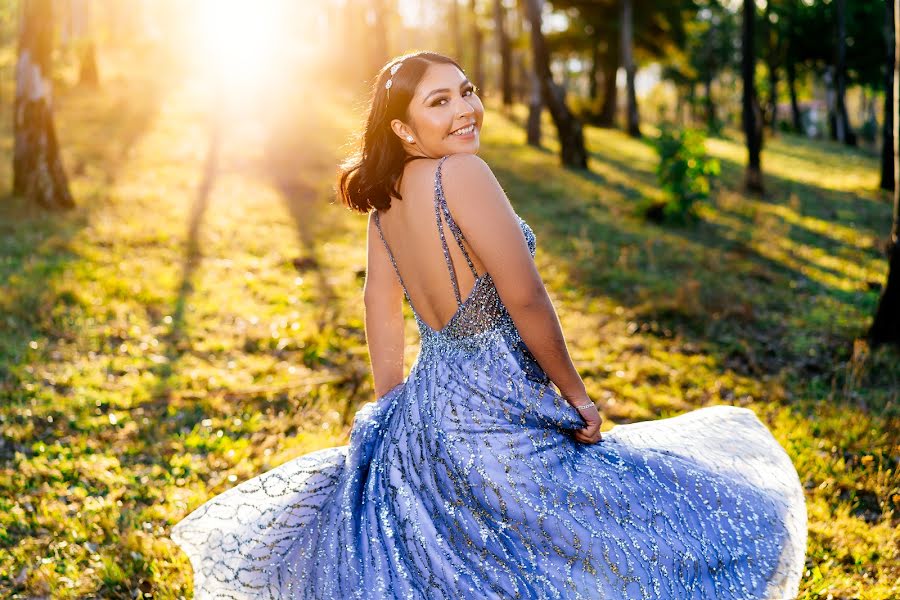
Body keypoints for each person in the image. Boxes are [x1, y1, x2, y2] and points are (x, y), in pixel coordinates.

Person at [170, 51, 807, 599]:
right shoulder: (461, 174)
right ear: (405, 126)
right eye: (440, 101)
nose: (465, 109)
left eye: (467, 91)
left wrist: (391, 405)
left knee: (475, 549)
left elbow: (380, 304)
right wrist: (577, 396)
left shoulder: (385, 196)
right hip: (491, 399)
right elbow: (524, 297)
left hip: (432, 401)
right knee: (636, 518)